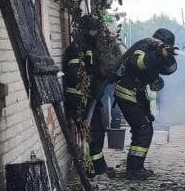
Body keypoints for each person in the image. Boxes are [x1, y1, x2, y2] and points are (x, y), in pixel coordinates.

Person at [113, 28, 178, 180]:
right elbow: (138, 64)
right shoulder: (144, 47)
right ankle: (134, 170)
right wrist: (156, 54)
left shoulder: (160, 52)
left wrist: (167, 56)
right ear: (158, 41)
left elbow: (171, 69)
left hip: (137, 94)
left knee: (143, 128)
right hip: (127, 92)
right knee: (143, 129)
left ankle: (136, 167)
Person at [62, 14, 115, 178]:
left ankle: (98, 167)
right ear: (83, 30)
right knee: (89, 134)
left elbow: (96, 69)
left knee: (97, 132)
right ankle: (90, 169)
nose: (94, 33)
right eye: (91, 30)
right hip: (79, 100)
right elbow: (74, 75)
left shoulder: (93, 49)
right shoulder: (75, 50)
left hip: (90, 99)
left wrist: (107, 75)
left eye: (96, 30)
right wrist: (95, 80)